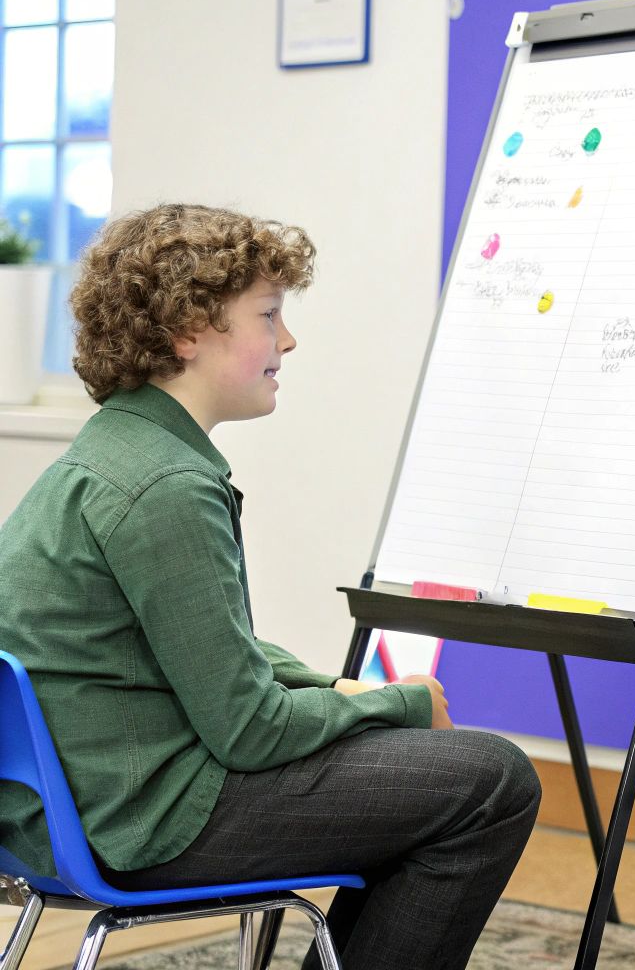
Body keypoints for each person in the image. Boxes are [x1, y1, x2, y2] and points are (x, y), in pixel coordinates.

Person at [0, 203, 540, 970]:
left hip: (63, 813)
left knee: (417, 783)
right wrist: (402, 703)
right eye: (268, 315)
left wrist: (342, 692)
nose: (288, 340)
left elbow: (218, 652)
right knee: (493, 781)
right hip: (140, 822)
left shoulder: (114, 450)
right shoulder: (166, 487)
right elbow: (250, 731)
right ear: (189, 331)